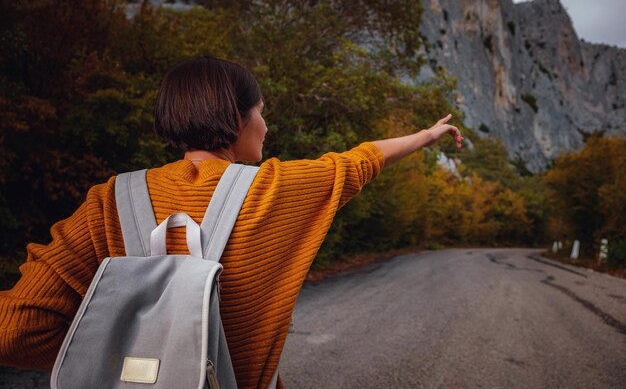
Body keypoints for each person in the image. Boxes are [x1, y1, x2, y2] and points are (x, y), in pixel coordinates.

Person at [0, 56, 463, 388]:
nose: (265, 125)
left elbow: (16, 331)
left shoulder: (107, 201)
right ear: (237, 118)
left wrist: (115, 352)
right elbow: (358, 161)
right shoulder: (276, 189)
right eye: (261, 112)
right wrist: (426, 135)